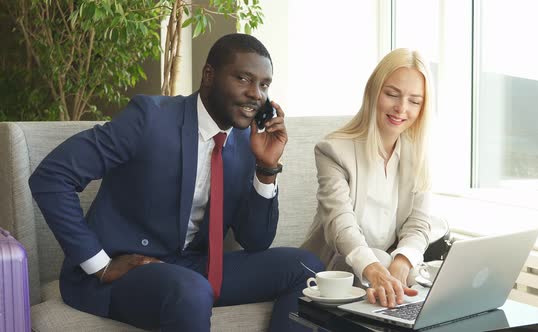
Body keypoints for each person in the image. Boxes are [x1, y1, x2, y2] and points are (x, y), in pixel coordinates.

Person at [29, 33, 323, 331]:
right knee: (191, 290)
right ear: (209, 75)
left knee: (307, 269)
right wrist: (100, 265)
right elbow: (52, 177)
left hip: (195, 267)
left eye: (264, 85)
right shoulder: (150, 119)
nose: (256, 94)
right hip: (127, 270)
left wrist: (266, 166)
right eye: (243, 78)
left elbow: (255, 240)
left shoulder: (248, 140)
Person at [301, 48, 434, 309]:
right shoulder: (334, 150)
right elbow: (341, 226)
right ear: (373, 92)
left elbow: (419, 224)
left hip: (384, 268)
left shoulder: (418, 153)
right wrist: (375, 269)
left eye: (414, 101)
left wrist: (402, 261)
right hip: (334, 271)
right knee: (381, 263)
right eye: (392, 94)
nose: (401, 108)